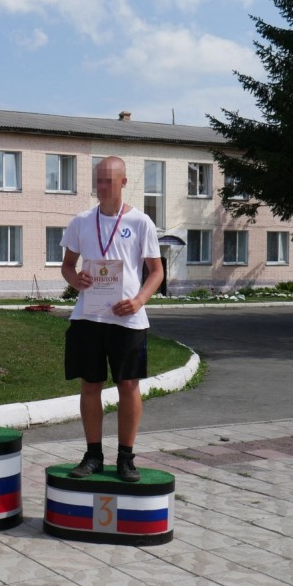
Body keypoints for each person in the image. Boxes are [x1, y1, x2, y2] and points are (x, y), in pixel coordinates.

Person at [60, 156, 163, 482]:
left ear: (124, 182)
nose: (102, 186)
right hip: (88, 317)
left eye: (109, 180)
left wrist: (139, 301)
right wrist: (74, 279)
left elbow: (156, 272)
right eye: (99, 180)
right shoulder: (81, 221)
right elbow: (67, 265)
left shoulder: (141, 222)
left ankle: (126, 458)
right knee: (90, 385)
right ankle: (93, 455)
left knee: (128, 386)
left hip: (127, 319)